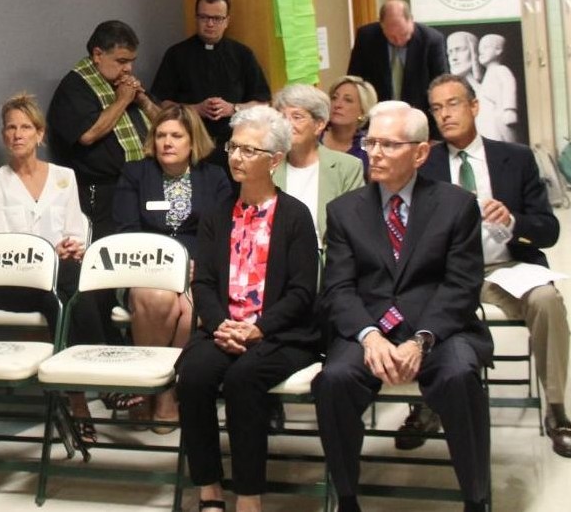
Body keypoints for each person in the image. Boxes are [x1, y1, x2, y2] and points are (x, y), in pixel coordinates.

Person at [314, 101, 492, 512]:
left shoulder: (455, 204)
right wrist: (369, 335)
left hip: (437, 327)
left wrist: (421, 340)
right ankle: (347, 498)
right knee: (334, 379)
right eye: (369, 142)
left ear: (420, 152)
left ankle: (476, 498)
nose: (373, 153)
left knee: (460, 376)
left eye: (388, 145)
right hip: (370, 328)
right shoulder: (345, 211)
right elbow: (338, 287)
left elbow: (461, 285)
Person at [402, 73, 568, 457]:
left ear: (474, 106)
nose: (445, 114)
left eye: (453, 104)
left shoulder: (516, 158)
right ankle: (427, 404)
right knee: (411, 298)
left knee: (546, 300)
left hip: (504, 270)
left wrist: (513, 222)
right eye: (437, 108)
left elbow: (549, 230)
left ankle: (557, 408)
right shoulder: (424, 165)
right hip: (445, 273)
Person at [175, 106, 321, 512]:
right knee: (194, 375)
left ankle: (249, 495)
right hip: (223, 328)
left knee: (243, 379)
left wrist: (258, 327)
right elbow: (202, 281)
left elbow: (301, 291)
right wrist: (222, 323)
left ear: (274, 160)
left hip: (280, 332)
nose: (236, 157)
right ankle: (208, 489)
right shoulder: (217, 214)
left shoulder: (294, 216)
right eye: (233, 147)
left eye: (249, 151)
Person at [0, 92, 103, 439]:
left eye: (25, 127)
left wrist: (72, 246)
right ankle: (92, 391)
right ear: (4, 136)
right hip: (10, 281)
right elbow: (0, 242)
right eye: (10, 128)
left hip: (59, 276)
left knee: (69, 291)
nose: (17, 134)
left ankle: (77, 389)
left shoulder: (64, 176)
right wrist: (52, 250)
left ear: (40, 134)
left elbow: (77, 229)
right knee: (66, 291)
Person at [112, 102, 232, 424]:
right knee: (157, 297)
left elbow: (221, 236)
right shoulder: (136, 173)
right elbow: (127, 230)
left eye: (176, 136)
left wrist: (197, 266)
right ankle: (149, 385)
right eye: (161, 135)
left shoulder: (215, 177)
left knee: (192, 311)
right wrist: (166, 268)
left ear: (192, 141)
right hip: (145, 268)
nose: (167, 142)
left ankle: (165, 393)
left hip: (198, 270)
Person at [48, 20, 160, 243]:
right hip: (103, 194)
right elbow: (88, 134)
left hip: (144, 181)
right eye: (121, 61)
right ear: (98, 54)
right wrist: (122, 100)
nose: (128, 68)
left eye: (131, 61)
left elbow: (168, 124)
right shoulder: (74, 86)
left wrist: (143, 100)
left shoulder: (125, 84)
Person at [150, 0, 271, 172]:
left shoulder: (242, 54)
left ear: (227, 21)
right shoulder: (176, 54)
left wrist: (233, 108)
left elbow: (263, 103)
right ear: (196, 18)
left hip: (234, 147)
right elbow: (160, 103)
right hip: (190, 146)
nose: (210, 24)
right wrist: (195, 109)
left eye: (217, 19)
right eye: (204, 17)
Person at [272, 83, 365, 244]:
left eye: (297, 117)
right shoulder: (269, 166)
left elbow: (354, 228)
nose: (286, 125)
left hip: (329, 261)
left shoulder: (348, 167)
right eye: (282, 118)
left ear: (319, 124)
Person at [346, 0, 448, 126]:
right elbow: (355, 81)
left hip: (419, 120)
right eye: (392, 37)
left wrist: (436, 133)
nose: (399, 41)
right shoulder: (366, 37)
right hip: (377, 118)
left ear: (411, 20)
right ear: (381, 25)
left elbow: (441, 87)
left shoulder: (431, 40)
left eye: (404, 34)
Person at [321, 75, 377, 177]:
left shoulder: (367, 144)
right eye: (334, 98)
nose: (338, 105)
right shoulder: (314, 136)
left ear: (363, 111)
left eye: (348, 100)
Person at [476, 34, 519, 142]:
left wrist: (509, 109)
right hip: (489, 118)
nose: (481, 52)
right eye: (480, 49)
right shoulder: (487, 74)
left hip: (499, 114)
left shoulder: (501, 70)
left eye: (485, 48)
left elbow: (509, 86)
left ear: (498, 50)